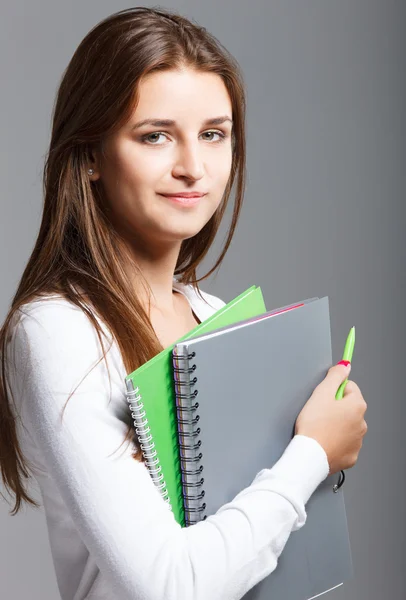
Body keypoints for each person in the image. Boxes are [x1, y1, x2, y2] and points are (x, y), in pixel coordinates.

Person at [0, 7, 368, 600]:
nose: (192, 167)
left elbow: (268, 551)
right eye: (155, 135)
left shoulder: (215, 313)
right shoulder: (58, 331)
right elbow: (169, 586)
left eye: (213, 134)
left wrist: (317, 462)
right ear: (90, 154)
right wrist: (312, 455)